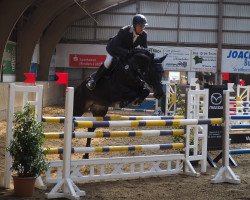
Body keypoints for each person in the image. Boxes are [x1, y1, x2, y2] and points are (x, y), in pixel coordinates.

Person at [86, 14, 148, 90]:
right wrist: (128, 52)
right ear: (134, 25)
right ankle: (93, 80)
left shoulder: (144, 35)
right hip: (114, 49)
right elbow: (115, 47)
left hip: (127, 53)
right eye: (140, 26)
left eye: (143, 26)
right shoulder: (124, 31)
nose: (142, 28)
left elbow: (144, 48)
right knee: (108, 62)